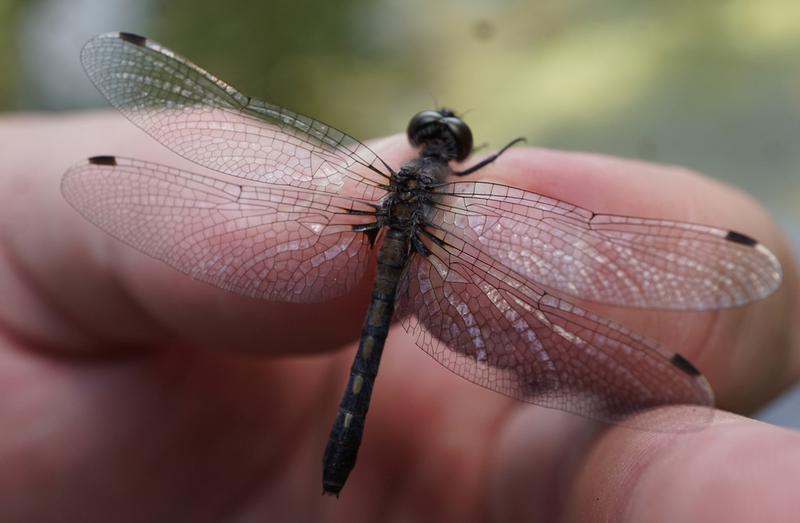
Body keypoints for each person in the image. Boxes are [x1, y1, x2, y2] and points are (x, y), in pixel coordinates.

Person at [0, 112, 798, 522]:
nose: (435, 137)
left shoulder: (384, 186)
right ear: (451, 154)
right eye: (437, 132)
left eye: (435, 132)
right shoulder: (452, 189)